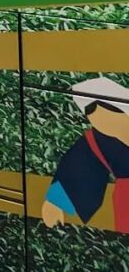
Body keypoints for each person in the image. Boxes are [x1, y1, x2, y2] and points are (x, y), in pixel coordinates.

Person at [41, 76, 129, 234]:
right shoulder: (96, 140)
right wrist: (56, 202)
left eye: (110, 116)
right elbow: (78, 168)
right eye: (96, 120)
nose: (105, 125)